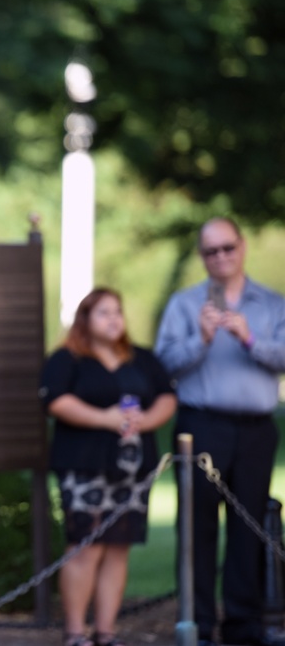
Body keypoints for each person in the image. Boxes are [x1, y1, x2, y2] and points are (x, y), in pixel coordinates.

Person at [155, 217, 285, 646]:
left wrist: (250, 340)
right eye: (211, 251)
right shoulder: (183, 304)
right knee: (197, 530)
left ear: (242, 246)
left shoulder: (270, 303)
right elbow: (162, 366)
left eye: (227, 247)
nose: (221, 257)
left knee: (248, 528)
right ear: (202, 256)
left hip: (255, 430)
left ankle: (244, 626)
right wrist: (202, 339)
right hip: (200, 425)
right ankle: (198, 625)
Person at [40, 287, 177, 646]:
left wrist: (144, 421)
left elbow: (166, 396)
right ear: (85, 319)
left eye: (117, 311)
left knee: (118, 546)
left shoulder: (141, 358)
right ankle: (74, 633)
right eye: (104, 312)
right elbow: (55, 400)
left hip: (132, 468)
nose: (114, 318)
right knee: (86, 546)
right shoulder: (67, 359)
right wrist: (106, 418)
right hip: (84, 467)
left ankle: (105, 632)